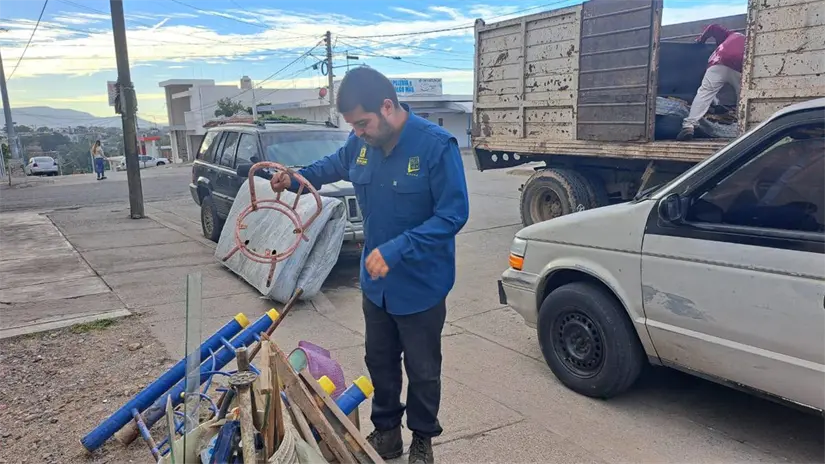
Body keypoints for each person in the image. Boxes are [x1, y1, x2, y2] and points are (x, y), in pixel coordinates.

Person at [270, 67, 469, 464]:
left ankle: (423, 441)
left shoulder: (435, 146)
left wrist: (398, 249)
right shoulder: (360, 143)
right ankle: (387, 434)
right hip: (376, 285)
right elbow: (330, 167)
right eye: (352, 125)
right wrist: (292, 179)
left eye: (363, 123)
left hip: (421, 284)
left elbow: (453, 215)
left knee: (423, 368)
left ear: (388, 106)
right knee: (379, 361)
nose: (358, 132)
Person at [677, 23, 745, 141]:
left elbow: (713, 27)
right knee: (743, 97)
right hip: (740, 65)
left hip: (718, 61)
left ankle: (689, 125)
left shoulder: (731, 34)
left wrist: (700, 40)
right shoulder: (749, 41)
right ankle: (743, 128)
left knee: (704, 92)